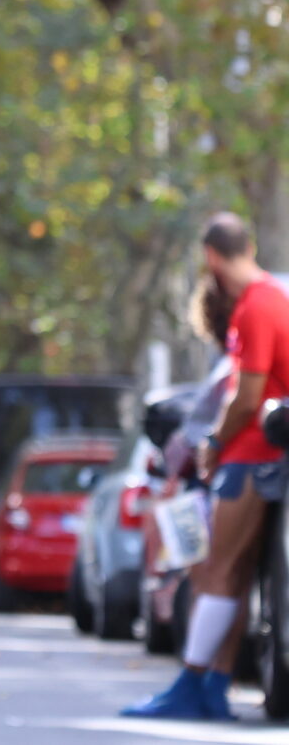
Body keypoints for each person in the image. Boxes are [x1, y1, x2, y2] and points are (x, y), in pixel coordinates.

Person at [124, 212, 289, 722]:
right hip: (265, 455)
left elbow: (248, 394)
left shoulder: (257, 305)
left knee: (216, 572)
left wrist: (214, 441)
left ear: (211, 256)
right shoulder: (270, 300)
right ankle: (213, 687)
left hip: (251, 458)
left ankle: (191, 684)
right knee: (233, 577)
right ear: (249, 245)